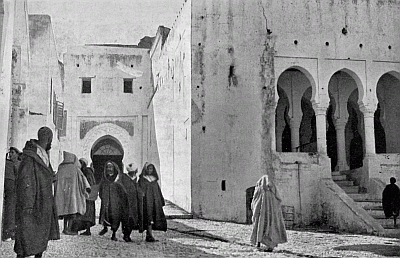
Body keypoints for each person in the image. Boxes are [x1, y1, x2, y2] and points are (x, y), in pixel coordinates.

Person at [14, 126, 60, 258]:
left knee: (40, 236)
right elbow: (26, 179)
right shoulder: (30, 155)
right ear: (48, 138)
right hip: (33, 202)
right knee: (25, 236)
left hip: (44, 202)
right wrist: (28, 202)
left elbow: (45, 172)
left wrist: (51, 176)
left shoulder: (44, 153)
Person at [55, 151, 91, 235]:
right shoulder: (75, 169)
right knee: (72, 212)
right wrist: (87, 188)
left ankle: (64, 228)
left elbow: (55, 179)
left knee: (65, 212)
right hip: (72, 194)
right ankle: (69, 229)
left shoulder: (60, 168)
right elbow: (83, 180)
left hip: (63, 194)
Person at [250, 174, 287, 252]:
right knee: (270, 227)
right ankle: (269, 245)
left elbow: (254, 201)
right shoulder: (272, 192)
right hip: (270, 216)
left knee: (259, 227)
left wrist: (255, 210)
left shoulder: (259, 189)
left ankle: (258, 243)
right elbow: (278, 199)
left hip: (260, 215)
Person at [98, 161, 127, 241]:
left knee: (115, 217)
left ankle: (114, 233)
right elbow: (100, 189)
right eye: (107, 167)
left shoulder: (117, 179)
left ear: (114, 168)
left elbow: (123, 191)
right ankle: (105, 227)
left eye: (110, 167)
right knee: (105, 215)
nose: (109, 169)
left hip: (115, 202)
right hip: (106, 200)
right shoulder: (104, 179)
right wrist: (103, 197)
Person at [139, 162, 167, 242]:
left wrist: (161, 200)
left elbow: (158, 191)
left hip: (155, 201)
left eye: (151, 169)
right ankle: (149, 235)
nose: (149, 170)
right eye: (148, 168)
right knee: (148, 217)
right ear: (145, 169)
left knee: (153, 217)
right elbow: (140, 190)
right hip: (147, 202)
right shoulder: (142, 179)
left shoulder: (154, 180)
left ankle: (149, 234)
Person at [70, 158, 97, 236]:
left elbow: (89, 182)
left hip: (87, 195)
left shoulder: (87, 171)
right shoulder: (83, 171)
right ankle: (83, 230)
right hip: (86, 195)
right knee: (85, 213)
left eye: (81, 163)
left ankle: (87, 230)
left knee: (87, 213)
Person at [118, 162, 144, 242]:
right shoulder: (124, 177)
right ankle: (126, 235)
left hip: (134, 202)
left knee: (133, 219)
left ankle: (127, 234)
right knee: (126, 218)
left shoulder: (136, 179)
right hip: (125, 201)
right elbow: (119, 185)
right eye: (131, 172)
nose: (132, 173)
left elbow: (138, 188)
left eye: (133, 171)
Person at [2, 147, 21, 241]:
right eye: (10, 153)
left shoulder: (18, 164)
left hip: (16, 190)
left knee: (13, 211)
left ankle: (11, 232)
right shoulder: (9, 164)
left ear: (17, 154)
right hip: (12, 190)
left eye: (13, 152)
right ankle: (9, 232)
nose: (10, 154)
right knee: (10, 210)